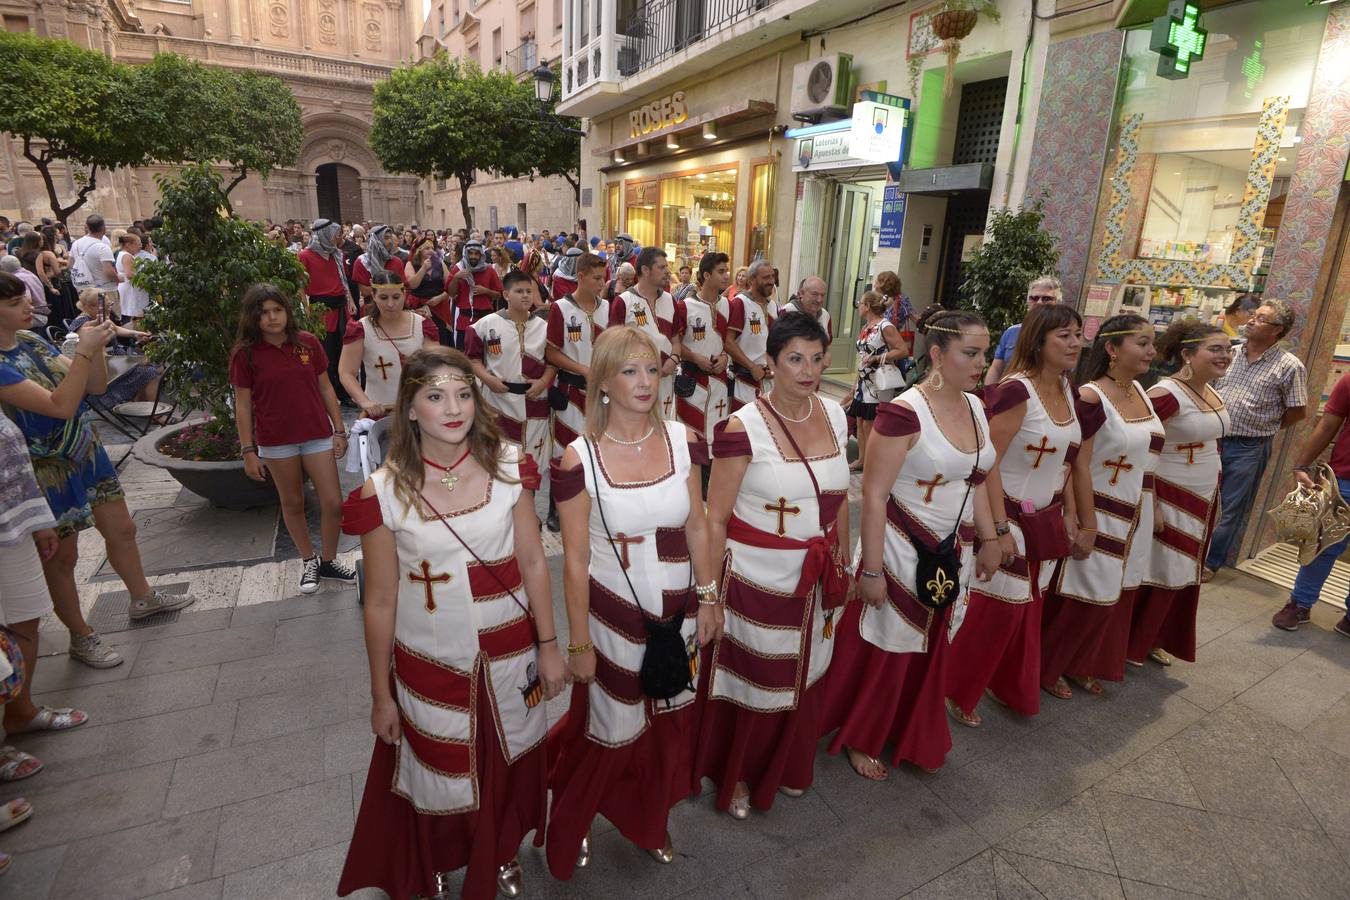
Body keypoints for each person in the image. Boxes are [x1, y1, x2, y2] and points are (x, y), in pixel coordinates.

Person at [337, 347, 565, 900]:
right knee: (437, 764)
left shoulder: (510, 466)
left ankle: (501, 847)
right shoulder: (382, 492)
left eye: (464, 394)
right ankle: (437, 855)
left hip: (510, 650)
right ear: (410, 408)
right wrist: (380, 694)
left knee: (507, 754)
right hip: (430, 659)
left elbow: (533, 560)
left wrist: (550, 644)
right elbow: (380, 601)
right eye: (435, 396)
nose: (454, 408)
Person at [545, 326, 716, 877]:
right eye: (629, 371)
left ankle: (648, 818)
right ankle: (574, 818)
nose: (645, 381)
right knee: (608, 730)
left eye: (650, 368)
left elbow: (697, 524)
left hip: (679, 613)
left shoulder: (683, 439)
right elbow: (574, 559)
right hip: (613, 618)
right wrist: (578, 643)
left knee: (666, 723)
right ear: (602, 383)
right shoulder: (580, 459)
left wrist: (710, 599)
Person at [821, 308, 1000, 780]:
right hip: (899, 547)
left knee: (928, 647)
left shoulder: (977, 407)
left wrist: (990, 537)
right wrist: (872, 570)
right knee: (888, 648)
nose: (982, 363)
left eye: (984, 353)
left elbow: (978, 480)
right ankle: (862, 734)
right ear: (937, 355)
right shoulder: (903, 412)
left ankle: (909, 729)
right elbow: (874, 495)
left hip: (954, 551)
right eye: (971, 353)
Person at [694, 312, 851, 818]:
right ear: (771, 362)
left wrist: (844, 560)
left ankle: (787, 762)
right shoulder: (743, 428)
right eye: (795, 359)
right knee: (754, 675)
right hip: (757, 577)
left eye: (817, 359)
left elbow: (840, 500)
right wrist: (709, 597)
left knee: (809, 667)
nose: (808, 371)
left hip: (817, 576)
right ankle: (737, 771)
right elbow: (716, 518)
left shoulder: (836, 415)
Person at [0, 273, 194, 670]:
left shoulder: (31, 340)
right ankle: (81, 634)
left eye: (24, 298)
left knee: (122, 528)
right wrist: (85, 353)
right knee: (63, 556)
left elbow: (95, 387)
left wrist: (97, 349)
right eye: (14, 302)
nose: (27, 305)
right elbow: (59, 406)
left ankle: (142, 597)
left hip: (85, 448)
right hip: (46, 467)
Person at [945, 303, 1082, 726]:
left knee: (1025, 610)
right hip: (1008, 515)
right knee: (996, 611)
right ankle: (955, 688)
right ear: (1038, 341)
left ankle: (1003, 684)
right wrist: (999, 529)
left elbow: (1067, 460)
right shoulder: (1016, 392)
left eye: (1078, 334)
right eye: (1064, 335)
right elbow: (988, 463)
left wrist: (1071, 512)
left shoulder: (1068, 389)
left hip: (1044, 517)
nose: (1075, 343)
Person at [1039, 315, 1163, 699]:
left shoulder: (1140, 390)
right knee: (1080, 593)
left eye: (1152, 343)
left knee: (1111, 596)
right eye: (1142, 343)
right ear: (1112, 348)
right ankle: (1049, 666)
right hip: (1099, 507)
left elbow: (1147, 459)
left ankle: (1080, 662)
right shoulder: (1091, 397)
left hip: (1133, 510)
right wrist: (1082, 520)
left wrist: (1153, 506)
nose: (1152, 351)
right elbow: (1077, 464)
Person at [229, 284, 357, 596]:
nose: (272, 318)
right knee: (293, 502)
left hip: (316, 434)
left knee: (333, 503)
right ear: (253, 317)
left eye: (277, 310)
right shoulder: (245, 354)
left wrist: (339, 430)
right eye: (264, 312)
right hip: (276, 441)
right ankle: (309, 559)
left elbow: (326, 387)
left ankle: (329, 561)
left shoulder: (308, 343)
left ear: (287, 311)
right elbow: (243, 405)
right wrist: (248, 450)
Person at [1128, 319, 1230, 667]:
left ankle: (1155, 638)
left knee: (1182, 572)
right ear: (1187, 354)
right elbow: (1144, 449)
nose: (1224, 356)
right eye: (1214, 349)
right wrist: (1152, 503)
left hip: (1204, 496)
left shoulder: (1212, 391)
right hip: (1171, 495)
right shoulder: (1166, 394)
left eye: (1227, 349)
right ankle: (1133, 641)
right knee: (1161, 568)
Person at [1203, 299, 1306, 580]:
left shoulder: (1289, 366)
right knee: (1200, 497)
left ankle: (1209, 563)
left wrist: (1266, 426)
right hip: (1212, 439)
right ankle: (1188, 551)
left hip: (1249, 447)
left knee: (1229, 507)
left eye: (1260, 318)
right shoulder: (1230, 353)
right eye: (1253, 315)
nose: (1251, 320)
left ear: (1277, 329)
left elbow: (1298, 411)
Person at [1274, 368, 1350, 637]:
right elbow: (1328, 426)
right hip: (1345, 481)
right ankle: (1300, 603)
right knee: (1323, 546)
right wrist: (1302, 464)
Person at [466, 270, 556, 477]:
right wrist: (488, 379)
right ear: (506, 295)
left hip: (535, 400)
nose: (525, 296)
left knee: (532, 463)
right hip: (498, 399)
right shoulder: (484, 325)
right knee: (500, 460)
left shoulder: (544, 327)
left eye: (529, 291)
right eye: (519, 291)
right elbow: (472, 359)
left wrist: (543, 382)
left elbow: (553, 362)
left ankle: (529, 496)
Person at [544, 253, 609, 533]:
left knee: (598, 447)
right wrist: (584, 370)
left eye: (604, 278)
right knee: (565, 448)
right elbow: (551, 353)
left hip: (601, 392)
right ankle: (557, 506)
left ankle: (594, 502)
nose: (602, 283)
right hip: (571, 389)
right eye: (597, 278)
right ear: (580, 277)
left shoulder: (608, 308)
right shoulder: (560, 308)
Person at [339, 270, 438, 420]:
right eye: (383, 298)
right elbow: (346, 372)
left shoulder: (422, 325)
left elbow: (435, 367)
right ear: (373, 296)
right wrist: (365, 402)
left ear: (404, 294)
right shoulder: (361, 328)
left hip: (419, 411)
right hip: (379, 413)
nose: (390, 304)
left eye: (396, 297)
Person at [609, 247, 685, 420]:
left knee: (665, 427)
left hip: (666, 380)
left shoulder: (670, 300)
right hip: (636, 383)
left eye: (667, 267)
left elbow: (676, 340)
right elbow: (613, 348)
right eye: (662, 267)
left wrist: (673, 360)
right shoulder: (624, 302)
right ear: (645, 270)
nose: (667, 272)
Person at [850, 290, 910, 472]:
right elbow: (863, 355)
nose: (859, 306)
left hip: (878, 382)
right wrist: (856, 382)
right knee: (860, 421)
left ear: (867, 306)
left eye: (861, 303)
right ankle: (862, 459)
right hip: (864, 381)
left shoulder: (885, 326)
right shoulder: (867, 326)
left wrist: (878, 358)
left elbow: (902, 350)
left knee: (870, 424)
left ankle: (872, 463)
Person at [299, 219, 357, 406]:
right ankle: (328, 393)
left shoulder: (337, 254)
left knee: (343, 351)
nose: (338, 238)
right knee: (326, 353)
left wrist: (351, 300)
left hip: (341, 308)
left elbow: (343, 281)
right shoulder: (305, 255)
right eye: (335, 234)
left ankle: (344, 392)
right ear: (324, 234)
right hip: (320, 310)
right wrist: (306, 310)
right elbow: (300, 286)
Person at [676, 251, 731, 436]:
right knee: (691, 438)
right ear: (707, 275)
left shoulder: (728, 305)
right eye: (721, 271)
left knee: (717, 436)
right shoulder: (685, 307)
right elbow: (674, 344)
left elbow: (730, 342)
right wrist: (694, 357)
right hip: (692, 381)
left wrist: (725, 358)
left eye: (727, 271)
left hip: (719, 382)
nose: (726, 276)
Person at [985, 276, 1063, 385]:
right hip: (1008, 391)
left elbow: (1064, 375)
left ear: (1057, 304)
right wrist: (989, 392)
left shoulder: (1064, 336)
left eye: (1046, 299)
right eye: (1034, 298)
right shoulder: (1011, 332)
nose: (1039, 302)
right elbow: (996, 368)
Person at [725, 259, 779, 413]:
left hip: (768, 383)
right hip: (744, 383)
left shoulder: (773, 306)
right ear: (752, 280)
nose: (771, 281)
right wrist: (752, 367)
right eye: (766, 277)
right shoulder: (740, 303)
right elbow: (728, 342)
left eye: (772, 276)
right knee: (744, 425)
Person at [442, 240, 503, 352]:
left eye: (476, 253)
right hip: (465, 322)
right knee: (464, 357)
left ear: (481, 254)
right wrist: (456, 278)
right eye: (470, 253)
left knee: (489, 355)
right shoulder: (458, 269)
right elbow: (451, 293)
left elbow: (499, 295)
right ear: (466, 253)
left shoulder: (489, 270)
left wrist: (486, 291)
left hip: (486, 321)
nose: (473, 256)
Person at [351, 224, 405, 306]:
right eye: (386, 238)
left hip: (394, 306)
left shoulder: (397, 262)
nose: (390, 241)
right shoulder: (362, 262)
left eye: (390, 238)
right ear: (376, 240)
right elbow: (364, 291)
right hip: (371, 307)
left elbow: (402, 288)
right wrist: (391, 287)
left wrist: (377, 287)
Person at [69, 215, 119, 302]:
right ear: (104, 229)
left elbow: (70, 264)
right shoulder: (102, 247)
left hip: (85, 290)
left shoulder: (76, 244)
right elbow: (109, 272)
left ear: (88, 228)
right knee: (108, 311)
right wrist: (118, 279)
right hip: (105, 290)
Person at [114, 231, 151, 325]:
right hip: (131, 290)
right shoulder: (127, 256)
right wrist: (147, 278)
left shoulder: (124, 254)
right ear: (128, 245)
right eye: (138, 244)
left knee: (134, 314)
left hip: (129, 288)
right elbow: (130, 274)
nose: (140, 246)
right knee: (134, 314)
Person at [781, 275, 832, 342]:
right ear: (802, 293)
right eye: (815, 294)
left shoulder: (825, 315)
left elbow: (828, 342)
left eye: (822, 295)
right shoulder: (787, 312)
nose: (819, 300)